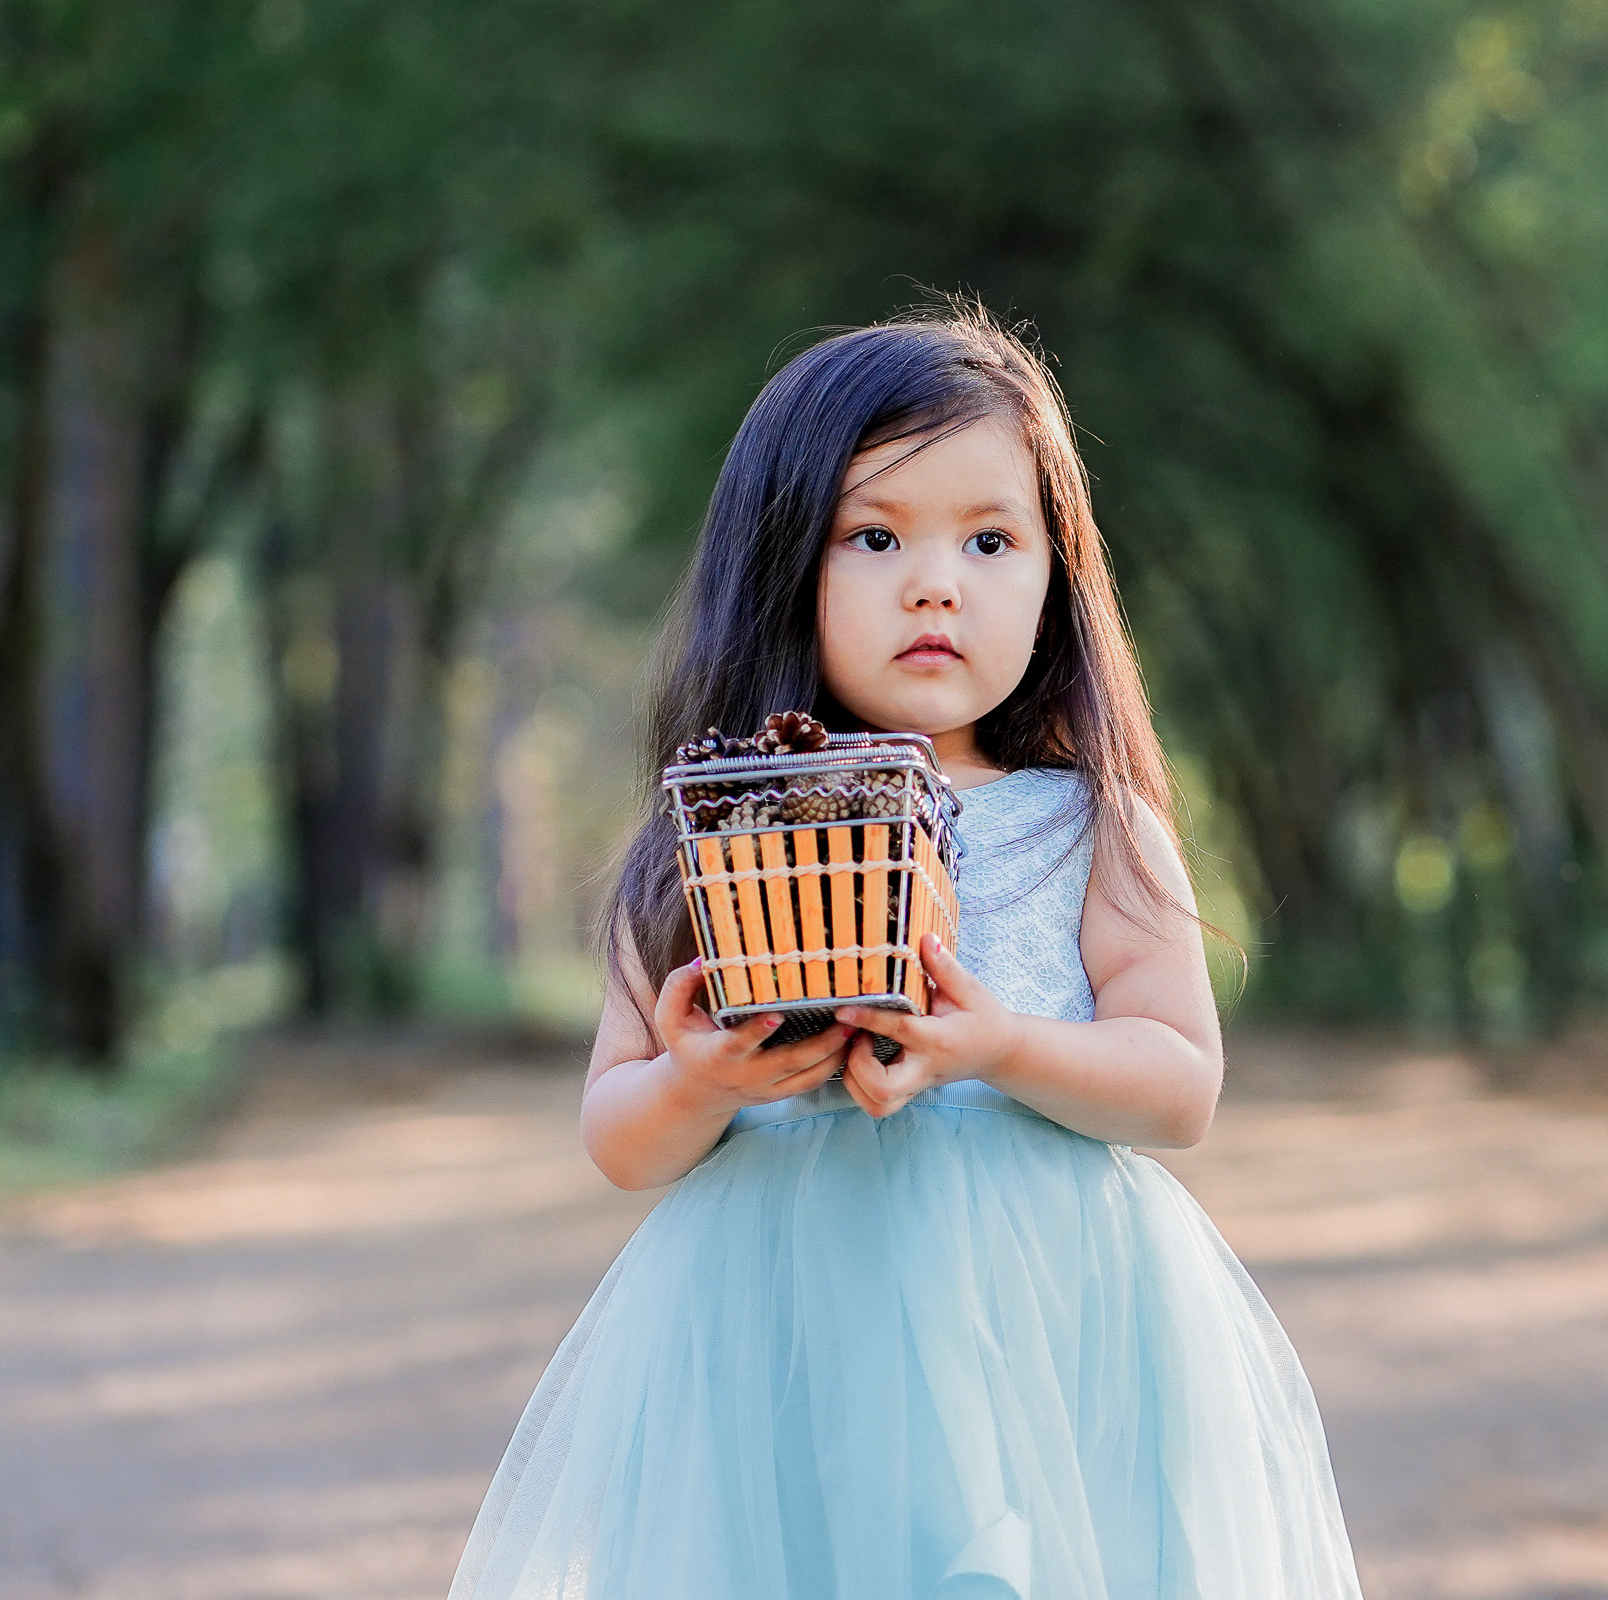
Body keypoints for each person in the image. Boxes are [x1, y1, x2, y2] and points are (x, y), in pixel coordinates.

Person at [448, 303, 1366, 1599]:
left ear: (1058, 575)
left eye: (992, 539)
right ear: (782, 565)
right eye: (874, 537)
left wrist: (996, 1046)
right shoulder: (713, 834)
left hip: (1048, 1328)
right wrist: (699, 1083)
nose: (937, 581)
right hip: (783, 1334)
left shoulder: (1089, 823)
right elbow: (617, 1128)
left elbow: (1180, 1084)